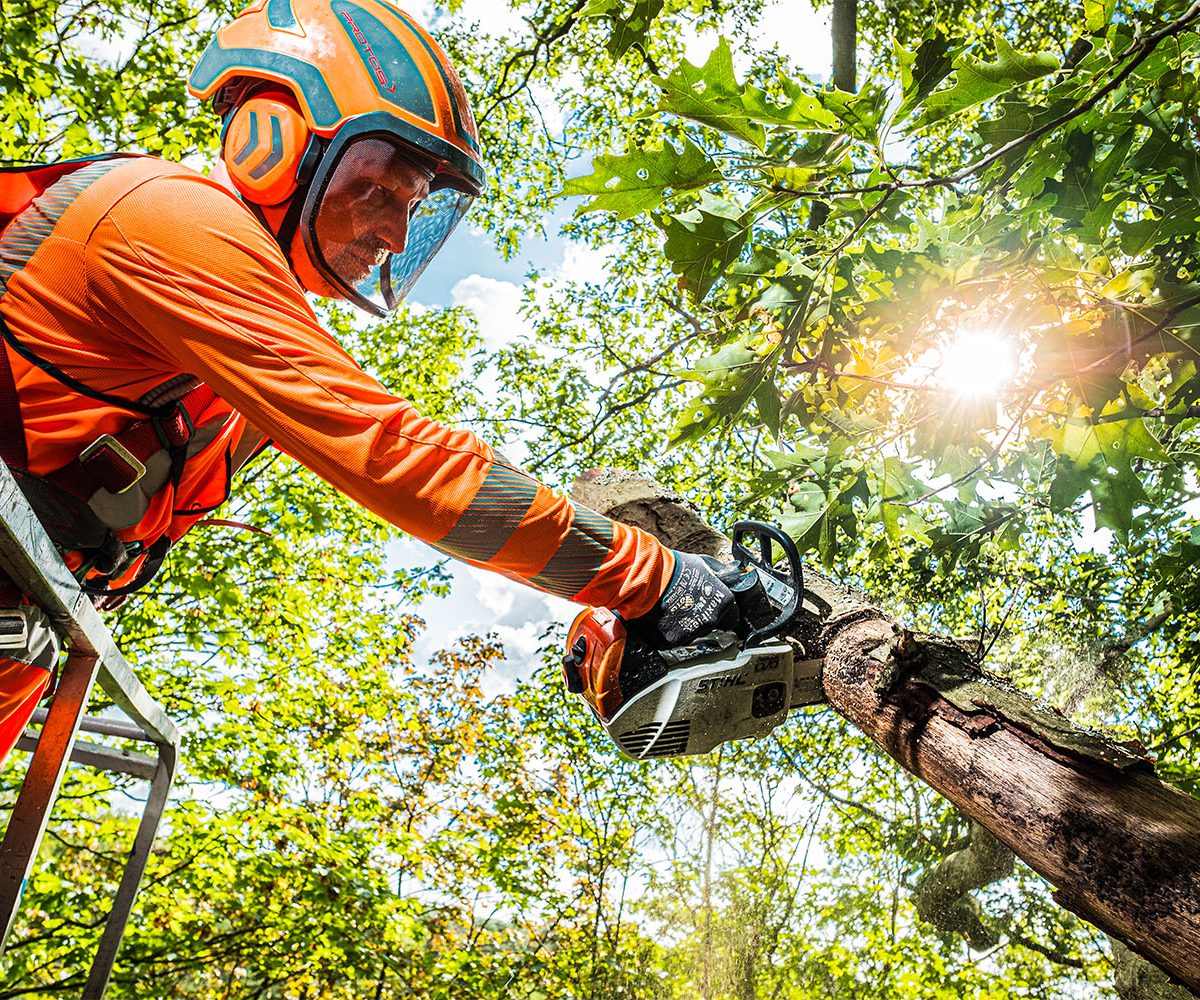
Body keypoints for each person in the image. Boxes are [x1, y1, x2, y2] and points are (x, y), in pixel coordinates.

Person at [0, 0, 736, 762]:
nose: (394, 236)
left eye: (413, 209)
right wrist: (649, 577)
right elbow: (392, 457)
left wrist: (602, 585)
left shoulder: (232, 351)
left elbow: (439, 469)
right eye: (382, 190)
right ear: (273, 140)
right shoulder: (168, 219)